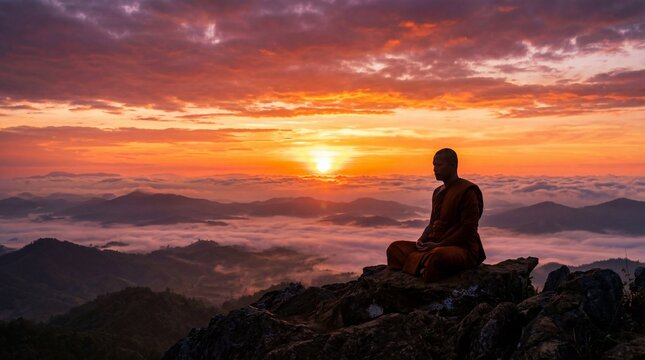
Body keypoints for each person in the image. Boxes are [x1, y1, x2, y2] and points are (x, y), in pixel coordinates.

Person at [386, 148, 485, 281]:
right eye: (434, 165)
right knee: (395, 248)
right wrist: (421, 240)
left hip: (461, 249)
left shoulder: (467, 191)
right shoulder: (437, 192)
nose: (435, 169)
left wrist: (439, 245)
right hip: (433, 245)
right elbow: (432, 223)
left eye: (439, 165)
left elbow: (468, 229)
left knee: (437, 256)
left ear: (453, 165)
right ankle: (423, 268)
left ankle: (420, 266)